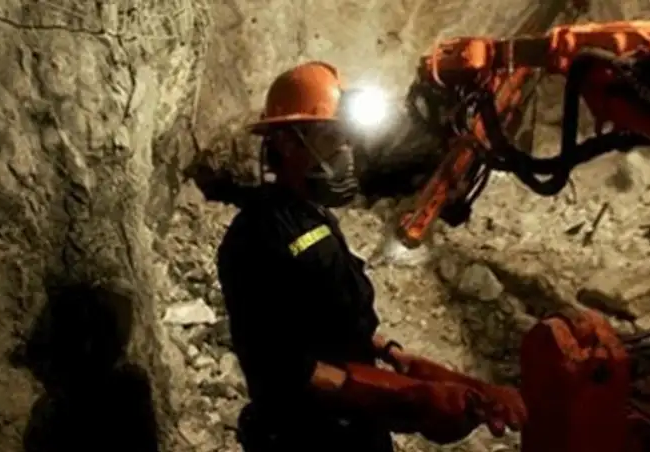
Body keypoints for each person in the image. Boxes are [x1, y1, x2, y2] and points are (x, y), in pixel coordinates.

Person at [215, 61, 527, 452]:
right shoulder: (255, 238)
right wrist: (410, 400)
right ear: (287, 143)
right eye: (331, 138)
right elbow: (285, 368)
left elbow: (336, 317)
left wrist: (394, 355)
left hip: (355, 429)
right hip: (305, 438)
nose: (345, 152)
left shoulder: (314, 216)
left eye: (347, 139)